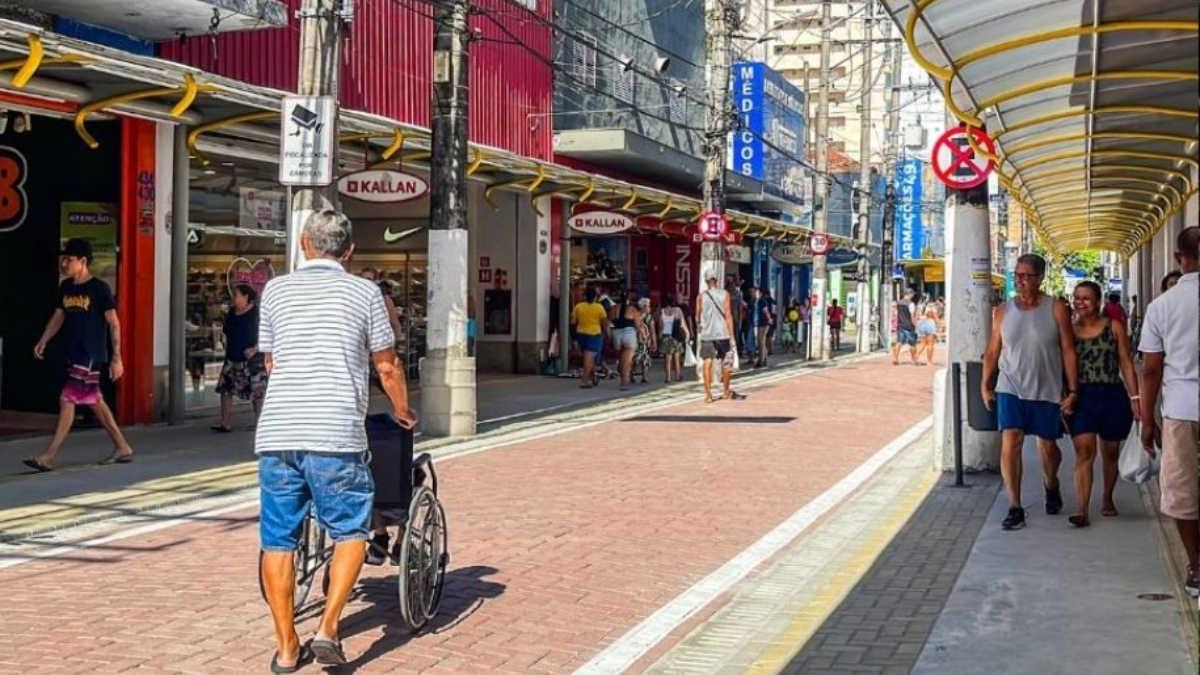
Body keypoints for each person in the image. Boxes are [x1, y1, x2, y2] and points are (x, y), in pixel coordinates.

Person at [256, 210, 416, 669]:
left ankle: (287, 648)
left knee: (277, 540)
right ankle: (328, 628)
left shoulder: (276, 291)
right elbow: (386, 365)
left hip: (278, 432)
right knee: (351, 529)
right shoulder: (364, 292)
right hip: (334, 433)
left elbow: (271, 362)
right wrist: (402, 410)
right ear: (348, 252)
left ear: (305, 243)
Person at [982, 253, 1080, 532]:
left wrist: (1072, 389)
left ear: (1040, 278)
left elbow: (1068, 349)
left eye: (1027, 276)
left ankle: (1051, 484)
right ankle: (1015, 507)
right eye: (1018, 275)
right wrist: (985, 383)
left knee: (1048, 447)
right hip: (1010, 386)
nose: (1021, 281)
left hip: (1047, 388)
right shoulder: (1002, 311)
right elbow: (992, 350)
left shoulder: (1056, 308)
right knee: (1011, 440)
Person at [23, 238, 134, 472]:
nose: (65, 263)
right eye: (64, 259)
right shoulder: (66, 287)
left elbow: (114, 323)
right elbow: (58, 317)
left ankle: (48, 456)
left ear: (82, 261)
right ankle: (123, 447)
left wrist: (117, 357)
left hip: (91, 354)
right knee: (96, 402)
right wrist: (44, 340)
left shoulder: (99, 289)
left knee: (67, 400)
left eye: (69, 259)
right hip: (74, 354)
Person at [1139, 226, 1199, 597]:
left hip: (1181, 408)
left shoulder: (1162, 306)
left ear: (1180, 258)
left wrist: (1148, 419)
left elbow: (1150, 368)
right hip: (1181, 406)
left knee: (1182, 491)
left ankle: (1196, 565)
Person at [1066, 281, 1139, 527]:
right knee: (1085, 451)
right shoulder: (1068, 330)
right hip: (1082, 395)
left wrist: (1136, 397)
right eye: (1077, 297)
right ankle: (1082, 509)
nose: (1080, 302)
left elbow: (1126, 363)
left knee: (1110, 452)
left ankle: (1107, 497)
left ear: (1097, 301)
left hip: (1112, 394)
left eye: (1086, 298)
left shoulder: (1114, 327)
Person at [211, 284, 267, 433]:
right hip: (232, 356)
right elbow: (226, 331)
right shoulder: (231, 313)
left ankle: (258, 422)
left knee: (256, 391)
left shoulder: (257, 314)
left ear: (246, 297)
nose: (234, 298)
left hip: (252, 359)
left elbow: (267, 334)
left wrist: (255, 348)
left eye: (236, 295)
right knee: (226, 389)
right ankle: (225, 422)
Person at [696, 269, 744, 403]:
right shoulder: (725, 294)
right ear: (716, 280)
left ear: (706, 281)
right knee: (726, 362)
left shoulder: (700, 297)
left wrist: (700, 324)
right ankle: (726, 392)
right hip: (723, 333)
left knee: (707, 361)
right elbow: (728, 315)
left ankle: (708, 395)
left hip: (707, 334)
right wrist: (732, 336)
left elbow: (697, 316)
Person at [571, 287, 609, 389]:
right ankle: (584, 380)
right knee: (589, 358)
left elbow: (573, 323)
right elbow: (604, 322)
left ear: (585, 296)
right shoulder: (599, 307)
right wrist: (607, 333)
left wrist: (574, 339)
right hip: (594, 334)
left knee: (588, 358)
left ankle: (593, 375)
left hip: (581, 334)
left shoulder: (578, 307)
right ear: (596, 297)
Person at [609, 290, 642, 391]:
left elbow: (610, 321)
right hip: (629, 333)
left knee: (621, 359)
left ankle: (623, 375)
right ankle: (624, 382)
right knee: (626, 361)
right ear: (628, 299)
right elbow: (638, 325)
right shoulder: (632, 309)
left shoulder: (613, 308)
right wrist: (641, 333)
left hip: (616, 333)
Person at [659, 294, 690, 383]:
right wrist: (687, 333)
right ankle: (678, 375)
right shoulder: (677, 310)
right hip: (676, 336)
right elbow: (682, 323)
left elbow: (661, 327)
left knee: (667, 357)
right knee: (677, 356)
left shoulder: (662, 312)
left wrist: (659, 338)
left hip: (666, 336)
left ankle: (668, 377)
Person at [892, 291, 919, 365]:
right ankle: (913, 359)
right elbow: (912, 316)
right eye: (912, 294)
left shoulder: (898, 303)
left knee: (899, 342)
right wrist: (915, 324)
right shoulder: (911, 304)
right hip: (909, 326)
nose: (913, 296)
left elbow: (897, 313)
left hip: (900, 325)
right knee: (912, 343)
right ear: (909, 294)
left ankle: (895, 358)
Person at [633, 297, 655, 385]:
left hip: (645, 340)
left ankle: (644, 376)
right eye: (648, 306)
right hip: (636, 339)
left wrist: (654, 341)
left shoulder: (649, 317)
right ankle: (631, 374)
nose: (649, 307)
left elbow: (652, 330)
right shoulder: (636, 315)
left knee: (645, 358)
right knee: (634, 358)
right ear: (643, 306)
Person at [755, 287, 777, 368]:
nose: (754, 294)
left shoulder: (762, 301)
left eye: (756, 292)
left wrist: (769, 319)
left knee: (761, 342)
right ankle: (762, 360)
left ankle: (762, 361)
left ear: (760, 294)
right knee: (761, 342)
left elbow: (765, 311)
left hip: (763, 324)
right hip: (759, 323)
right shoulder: (757, 301)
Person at [916, 297, 939, 366]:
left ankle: (916, 357)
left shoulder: (919, 307)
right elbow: (935, 317)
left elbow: (917, 317)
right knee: (930, 344)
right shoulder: (931, 307)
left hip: (921, 323)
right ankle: (929, 361)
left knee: (922, 343)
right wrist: (939, 325)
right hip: (929, 323)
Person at [729, 276, 746, 358]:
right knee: (736, 335)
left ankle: (736, 352)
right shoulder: (738, 293)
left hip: (732, 317)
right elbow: (740, 306)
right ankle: (737, 352)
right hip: (735, 317)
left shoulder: (727, 293)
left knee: (735, 335)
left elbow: (740, 307)